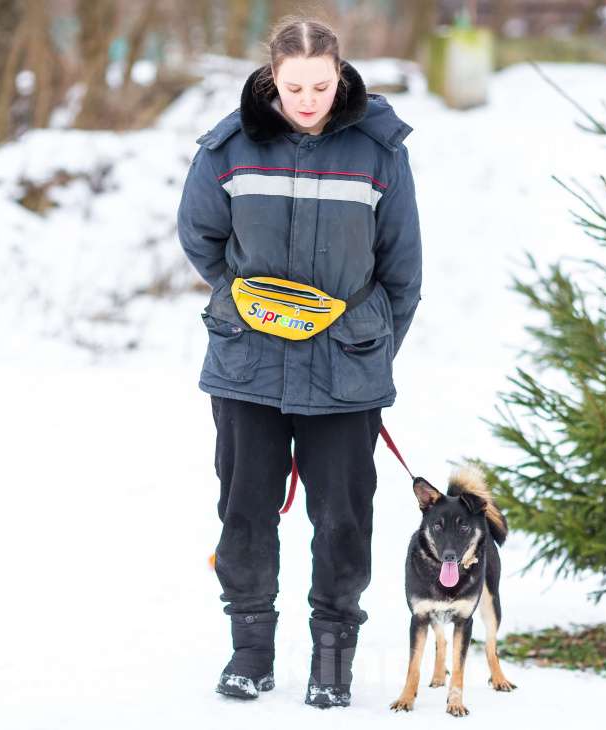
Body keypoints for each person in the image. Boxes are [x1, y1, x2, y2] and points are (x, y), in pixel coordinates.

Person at [176, 16, 422, 709]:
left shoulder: (379, 154)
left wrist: (367, 343)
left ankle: (333, 661)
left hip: (347, 370)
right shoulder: (229, 146)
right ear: (271, 80)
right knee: (244, 510)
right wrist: (245, 300)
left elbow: (402, 271)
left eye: (320, 84)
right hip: (246, 366)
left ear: (340, 74)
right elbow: (200, 235)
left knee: (344, 517)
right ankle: (249, 654)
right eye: (294, 87)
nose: (307, 99)